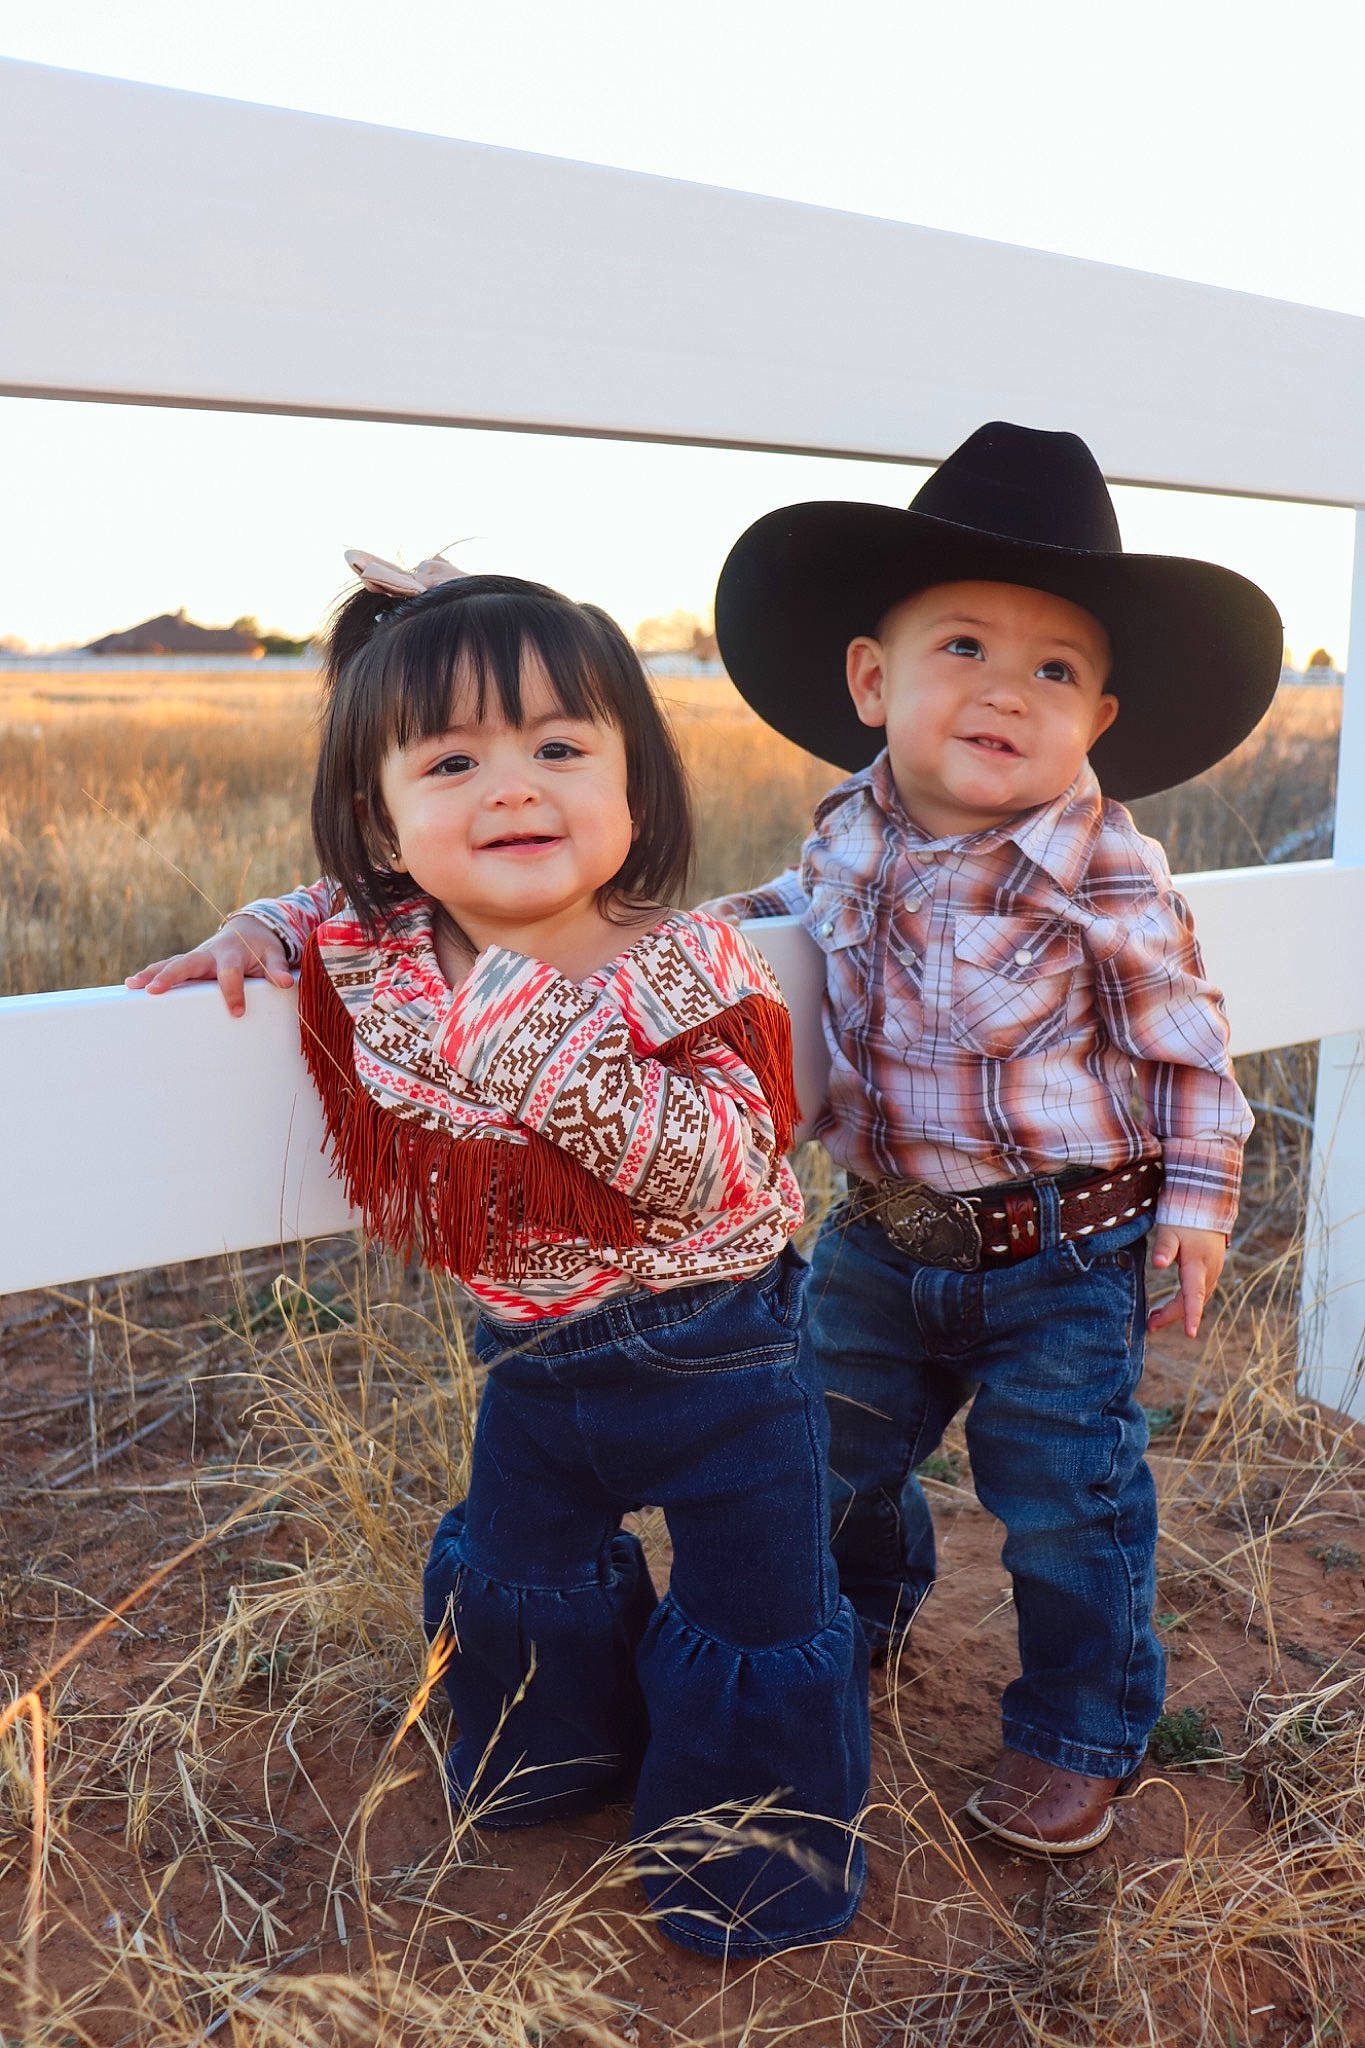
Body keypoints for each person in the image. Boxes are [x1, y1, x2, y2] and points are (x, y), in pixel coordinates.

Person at [128, 555, 869, 1956]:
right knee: (523, 1572)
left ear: (634, 782)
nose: (512, 789)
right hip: (531, 1361)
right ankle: (552, 1763)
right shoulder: (388, 948)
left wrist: (531, 1034)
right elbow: (325, 907)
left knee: (758, 1602)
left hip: (723, 1354)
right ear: (384, 819)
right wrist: (256, 927)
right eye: (453, 761)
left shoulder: (689, 961)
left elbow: (723, 1157)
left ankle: (748, 1864)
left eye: (559, 749)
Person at [700, 421, 1283, 1857]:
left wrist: (1197, 1209)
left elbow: (1188, 1050)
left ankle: (1078, 1727)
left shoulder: (1107, 874)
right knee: (824, 1451)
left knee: (1065, 1502)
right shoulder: (846, 833)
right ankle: (856, 1617)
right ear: (871, 679)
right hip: (879, 1234)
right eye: (962, 646)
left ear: (1097, 719)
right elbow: (787, 920)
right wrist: (686, 942)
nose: (1007, 692)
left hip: (1061, 1254)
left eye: (1054, 671)